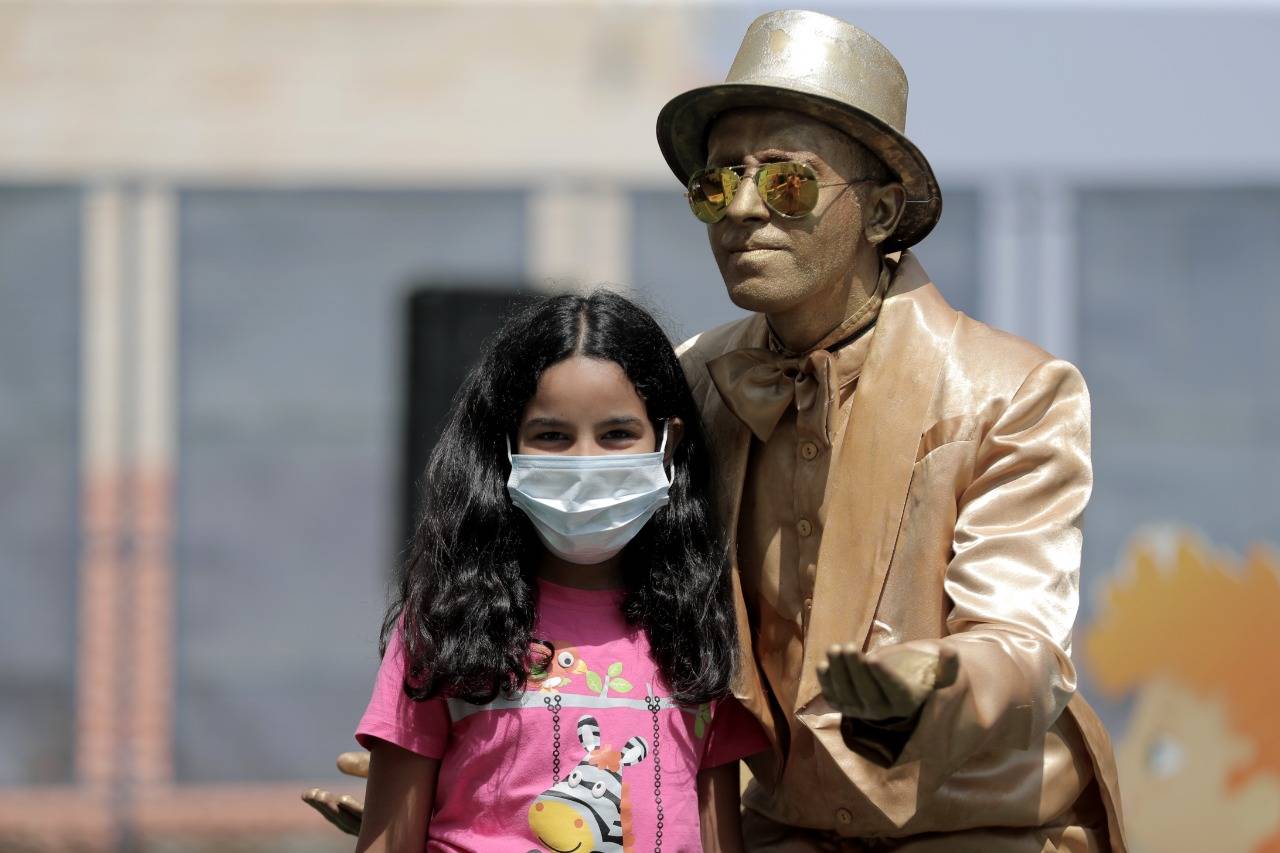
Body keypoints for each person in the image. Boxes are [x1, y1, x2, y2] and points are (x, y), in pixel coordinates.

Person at [658, 9, 1126, 852]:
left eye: (789, 183)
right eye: (717, 184)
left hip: (985, 828)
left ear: (878, 213)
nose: (743, 210)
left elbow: (1024, 644)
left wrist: (937, 679)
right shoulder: (694, 378)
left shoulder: (1012, 390)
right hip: (781, 830)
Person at [346, 290, 766, 853]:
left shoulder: (702, 628)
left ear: (669, 444)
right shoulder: (448, 625)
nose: (585, 462)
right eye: (552, 436)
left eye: (617, 434)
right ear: (505, 446)